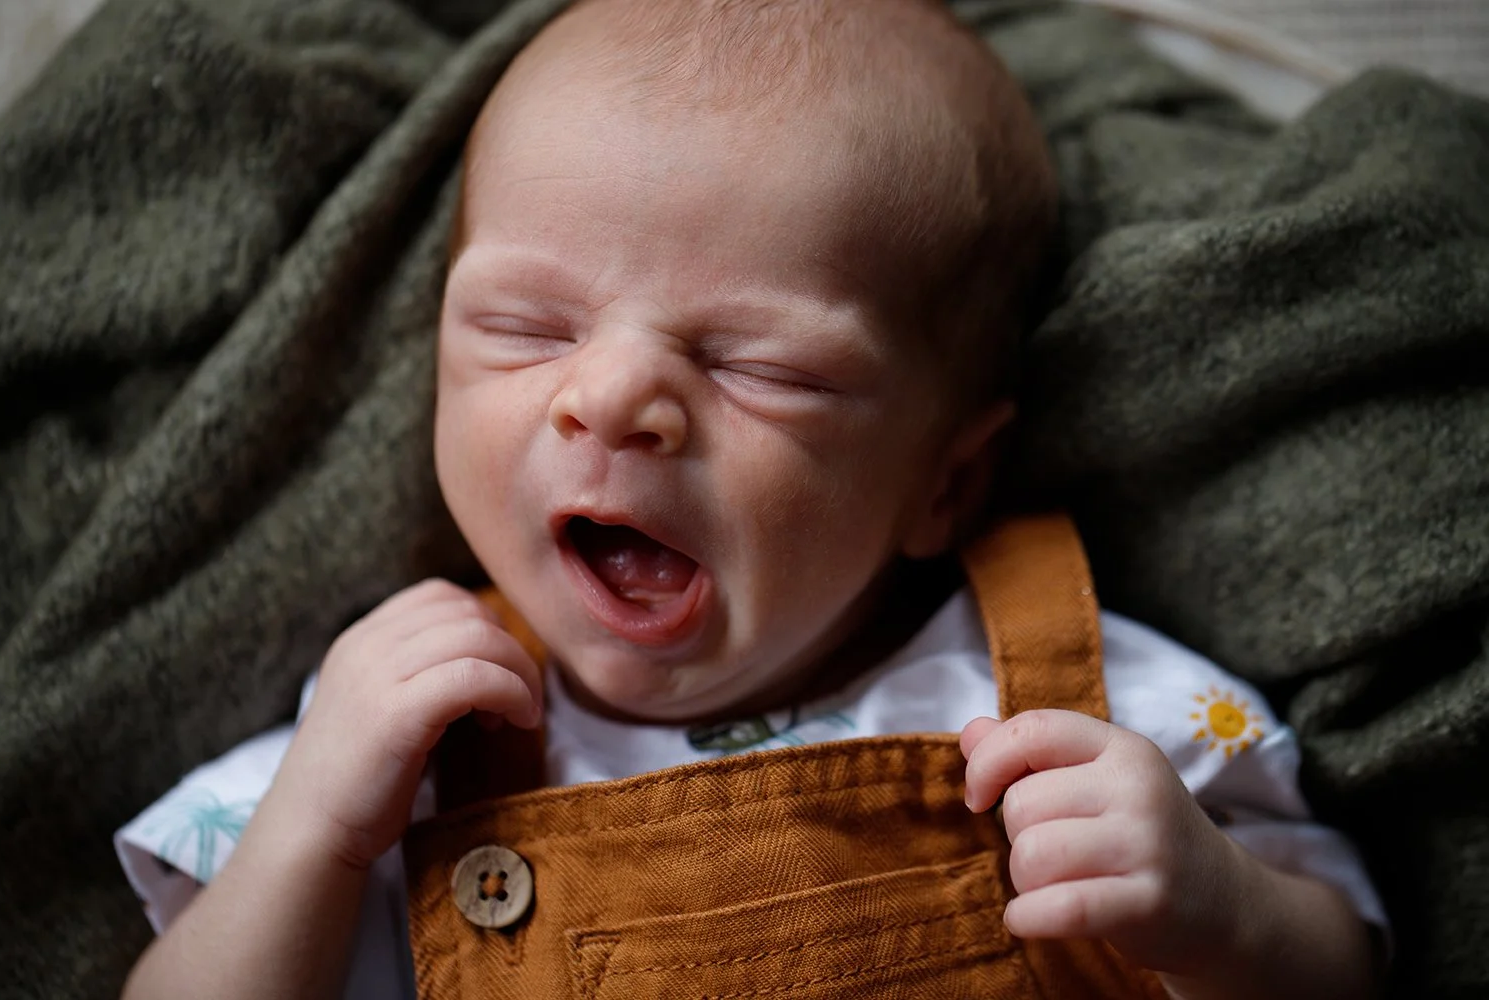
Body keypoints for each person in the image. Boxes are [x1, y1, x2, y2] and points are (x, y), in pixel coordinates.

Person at [116, 0, 1385, 997]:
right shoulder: (393, 734)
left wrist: (1224, 918)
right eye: (525, 327)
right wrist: (309, 838)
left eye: (754, 363)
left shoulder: (1084, 714)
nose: (609, 398)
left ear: (944, 482)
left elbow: (1352, 965)